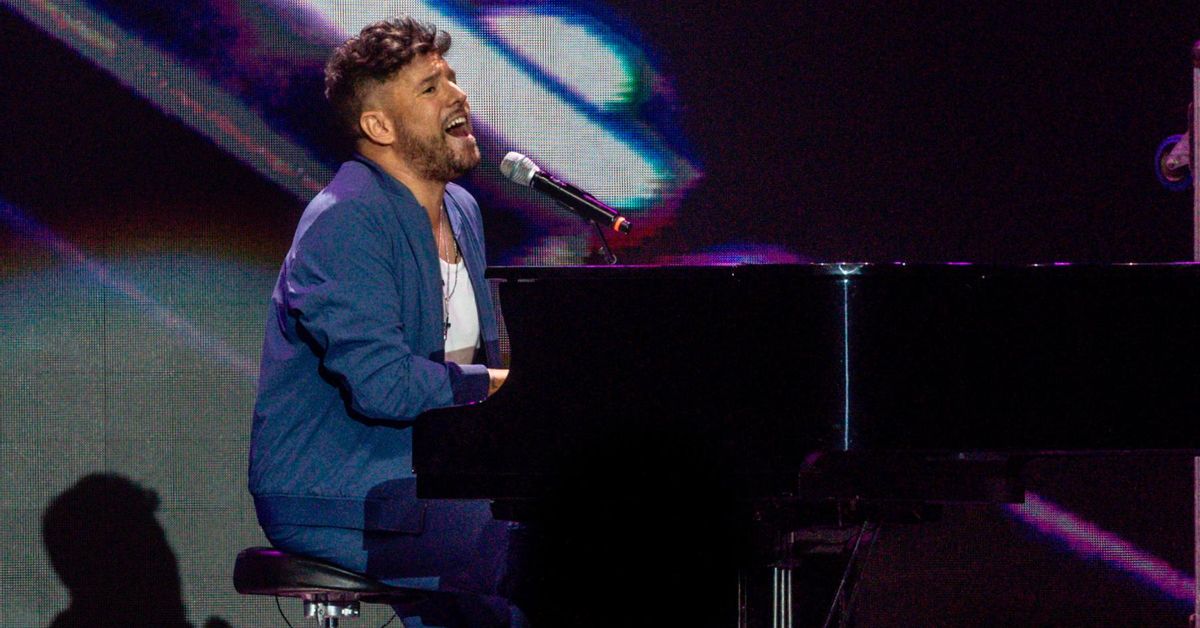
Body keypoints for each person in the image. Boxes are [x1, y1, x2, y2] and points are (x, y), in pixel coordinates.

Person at [248, 16, 518, 627]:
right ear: (379, 127)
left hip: (425, 479)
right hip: (342, 495)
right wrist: (499, 385)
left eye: (451, 78)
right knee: (539, 556)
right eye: (430, 88)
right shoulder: (345, 220)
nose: (458, 95)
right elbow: (384, 384)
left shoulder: (462, 209)